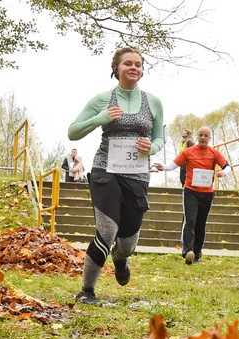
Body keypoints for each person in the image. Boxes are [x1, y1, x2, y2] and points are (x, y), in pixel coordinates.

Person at [67, 47, 164, 305]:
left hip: (137, 176)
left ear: (142, 70)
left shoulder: (153, 102)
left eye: (138, 64)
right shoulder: (102, 99)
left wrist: (152, 148)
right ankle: (87, 290)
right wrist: (101, 117)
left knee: (127, 242)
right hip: (105, 171)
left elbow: (159, 137)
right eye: (127, 64)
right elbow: (73, 132)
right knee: (107, 231)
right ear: (116, 68)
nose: (133, 68)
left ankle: (121, 259)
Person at [153, 126, 232, 265]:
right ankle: (187, 251)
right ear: (197, 136)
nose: (203, 138)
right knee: (190, 221)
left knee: (201, 224)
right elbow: (174, 164)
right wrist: (163, 167)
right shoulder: (188, 151)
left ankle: (197, 253)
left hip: (207, 193)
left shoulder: (214, 153)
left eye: (205, 136)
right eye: (200, 135)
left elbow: (227, 166)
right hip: (190, 191)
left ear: (209, 138)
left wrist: (223, 173)